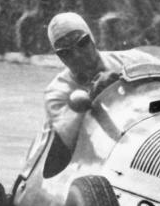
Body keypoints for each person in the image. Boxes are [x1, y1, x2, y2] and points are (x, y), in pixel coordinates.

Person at [43, 12, 150, 148]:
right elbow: (68, 138)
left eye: (82, 43)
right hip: (103, 154)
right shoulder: (56, 93)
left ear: (92, 39)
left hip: (145, 135)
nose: (77, 54)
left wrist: (129, 80)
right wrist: (92, 96)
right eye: (65, 52)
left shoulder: (131, 61)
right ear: (59, 57)